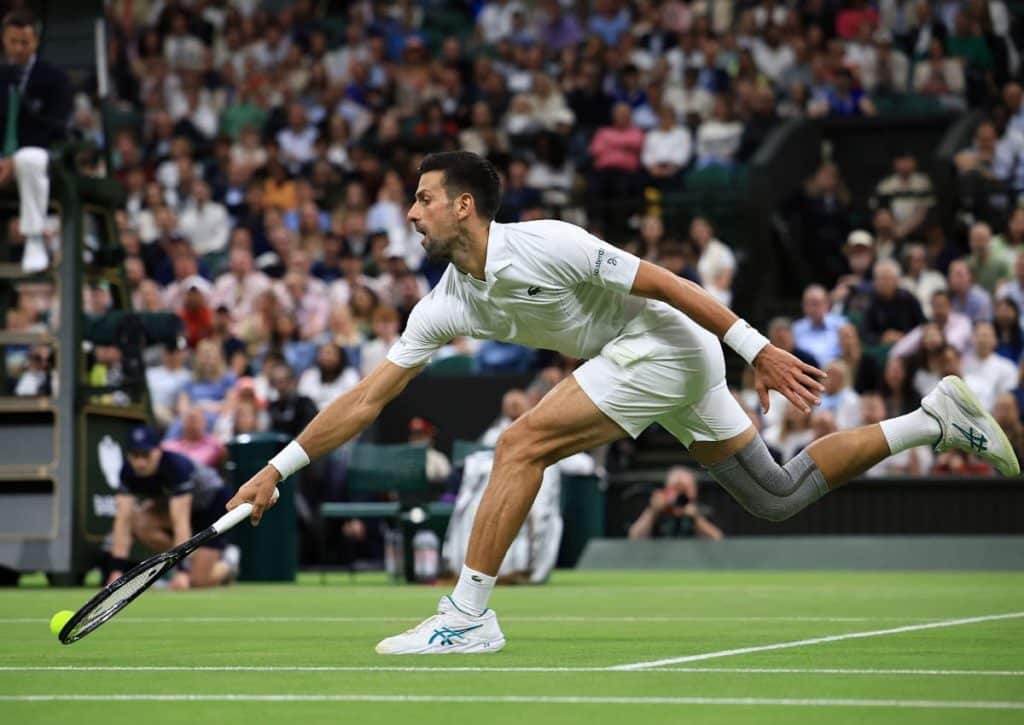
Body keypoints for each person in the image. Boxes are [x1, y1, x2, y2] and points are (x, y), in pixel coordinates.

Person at [228, 151, 1019, 655]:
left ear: (464, 206)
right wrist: (277, 467)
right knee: (776, 492)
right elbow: (366, 399)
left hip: (666, 342)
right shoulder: (444, 304)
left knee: (517, 444)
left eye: (425, 198)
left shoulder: (548, 242)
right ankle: (932, 418)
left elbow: (670, 283)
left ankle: (468, 614)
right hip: (651, 361)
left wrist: (759, 349)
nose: (411, 211)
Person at [109, 426, 237, 589]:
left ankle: (228, 564)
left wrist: (182, 572)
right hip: (175, 508)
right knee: (138, 522)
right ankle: (191, 561)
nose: (140, 463)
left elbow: (180, 522)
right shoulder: (127, 471)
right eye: (135, 455)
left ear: (158, 452)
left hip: (212, 506)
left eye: (146, 455)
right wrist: (116, 572)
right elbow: (123, 521)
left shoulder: (176, 468)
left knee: (199, 581)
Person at [0, 9, 72, 273]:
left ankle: (34, 239)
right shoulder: (1, 76)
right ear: (3, 40)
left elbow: (57, 126)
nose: (18, 49)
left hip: (42, 157)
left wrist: (12, 157)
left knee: (28, 159)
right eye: (13, 42)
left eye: (25, 42)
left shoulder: (55, 78)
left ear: (36, 42)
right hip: (2, 160)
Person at [627, 466, 723, 540]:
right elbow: (634, 538)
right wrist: (652, 511)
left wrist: (697, 519)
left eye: (684, 489)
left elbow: (717, 539)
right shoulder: (656, 511)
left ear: (694, 491)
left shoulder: (703, 511)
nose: (680, 495)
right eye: (676, 489)